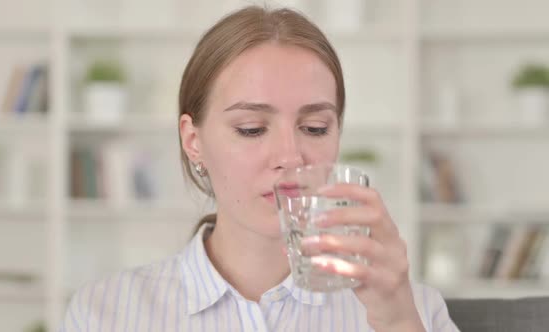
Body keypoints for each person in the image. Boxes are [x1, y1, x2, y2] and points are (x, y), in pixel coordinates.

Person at [61, 5, 459, 332]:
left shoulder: (416, 312)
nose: (290, 155)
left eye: (315, 128)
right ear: (193, 140)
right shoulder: (104, 314)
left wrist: (398, 323)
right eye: (251, 129)